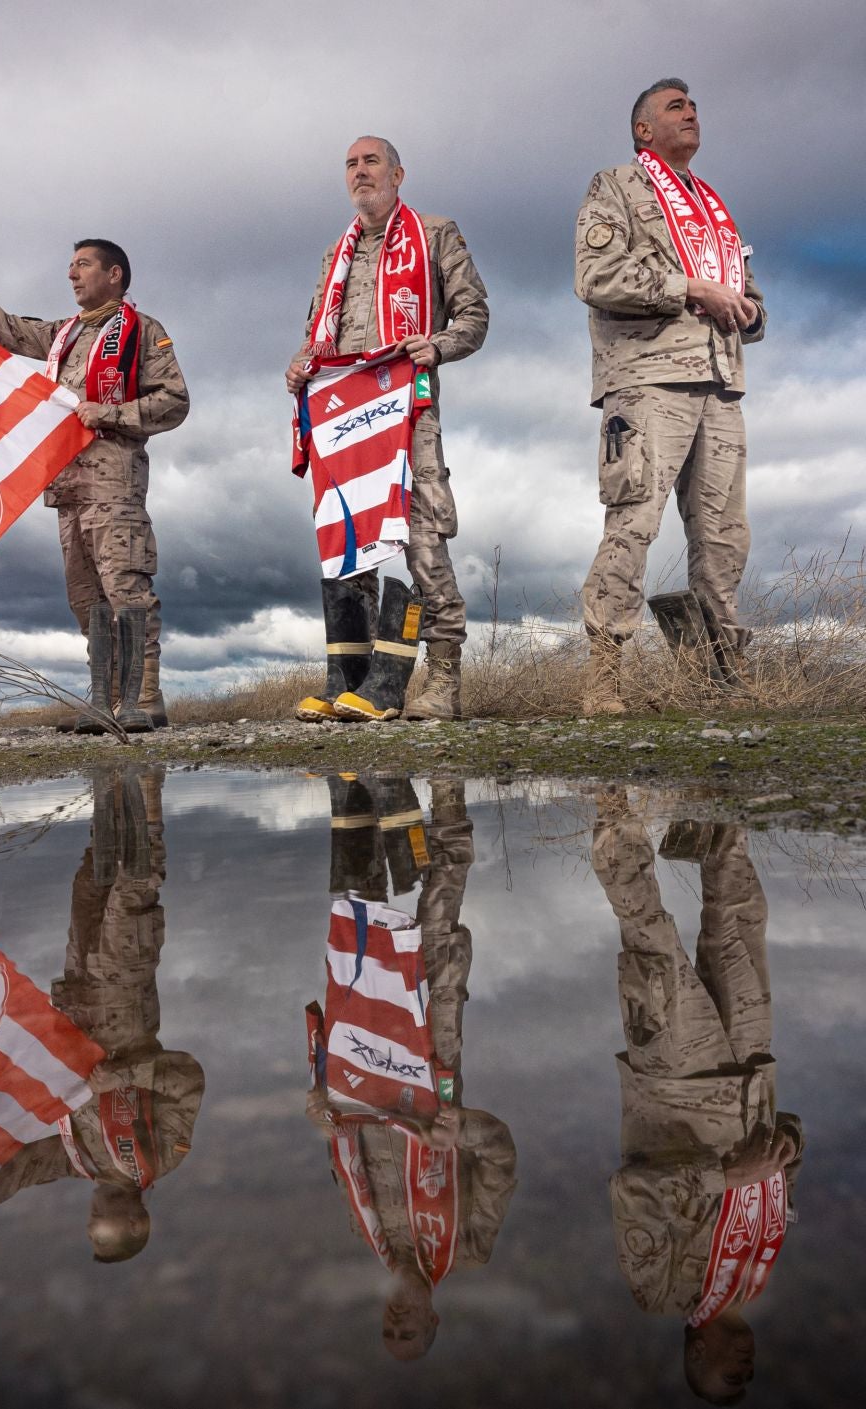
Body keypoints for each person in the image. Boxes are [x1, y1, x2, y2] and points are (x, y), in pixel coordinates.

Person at [0, 244, 189, 733]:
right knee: (86, 598)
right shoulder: (63, 336)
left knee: (126, 588)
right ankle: (106, 700)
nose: (72, 274)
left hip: (114, 485)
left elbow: (175, 401)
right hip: (68, 486)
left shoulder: (142, 331)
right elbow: (3, 325)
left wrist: (110, 412)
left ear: (115, 274)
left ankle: (144, 697)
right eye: (71, 266)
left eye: (83, 265)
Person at [0, 766, 203, 1259]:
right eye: (103, 1231)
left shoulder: (77, 1159)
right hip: (124, 998)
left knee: (91, 879)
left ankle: (108, 783)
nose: (92, 1221)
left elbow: (16, 1174)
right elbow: (188, 1079)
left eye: (90, 1230)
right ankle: (148, 786)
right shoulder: (162, 1156)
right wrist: (122, 1077)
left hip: (75, 997)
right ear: (136, 1223)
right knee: (132, 892)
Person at [591, 795, 803, 1404]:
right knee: (739, 918)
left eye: (732, 1376)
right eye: (751, 1377)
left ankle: (612, 795)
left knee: (650, 936)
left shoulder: (658, 1292)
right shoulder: (756, 1276)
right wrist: (791, 1146)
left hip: (675, 1080)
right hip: (750, 1074)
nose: (747, 1367)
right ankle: (712, 789)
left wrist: (725, 1176)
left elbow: (632, 1190)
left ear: (697, 1355)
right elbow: (784, 1157)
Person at [304, 776, 517, 1359]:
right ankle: (448, 787)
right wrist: (462, 1130)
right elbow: (501, 1156)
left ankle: (362, 785)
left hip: (362, 1046)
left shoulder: (364, 1229)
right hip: (431, 1057)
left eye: (388, 1330)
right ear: (433, 1321)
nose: (397, 1321)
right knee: (438, 919)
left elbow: (339, 1132)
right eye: (410, 1331)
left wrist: (319, 1110)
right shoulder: (468, 1247)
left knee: (359, 917)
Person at [574, 79, 768, 714]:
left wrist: (749, 311)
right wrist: (692, 289)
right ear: (643, 130)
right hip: (647, 380)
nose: (691, 114)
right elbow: (596, 276)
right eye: (675, 107)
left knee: (724, 537)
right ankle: (605, 679)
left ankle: (720, 678)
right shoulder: (616, 187)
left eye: (694, 107)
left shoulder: (712, 206)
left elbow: (748, 295)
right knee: (634, 522)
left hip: (720, 383)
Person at [286, 137, 490, 722]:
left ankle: (443, 682)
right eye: (351, 164)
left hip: (406, 412)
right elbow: (316, 335)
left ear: (398, 174)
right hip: (341, 419)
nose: (360, 171)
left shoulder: (435, 234)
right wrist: (300, 366)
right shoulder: (336, 254)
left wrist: (439, 345)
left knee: (424, 538)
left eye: (371, 161)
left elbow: (475, 315)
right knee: (348, 543)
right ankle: (361, 684)